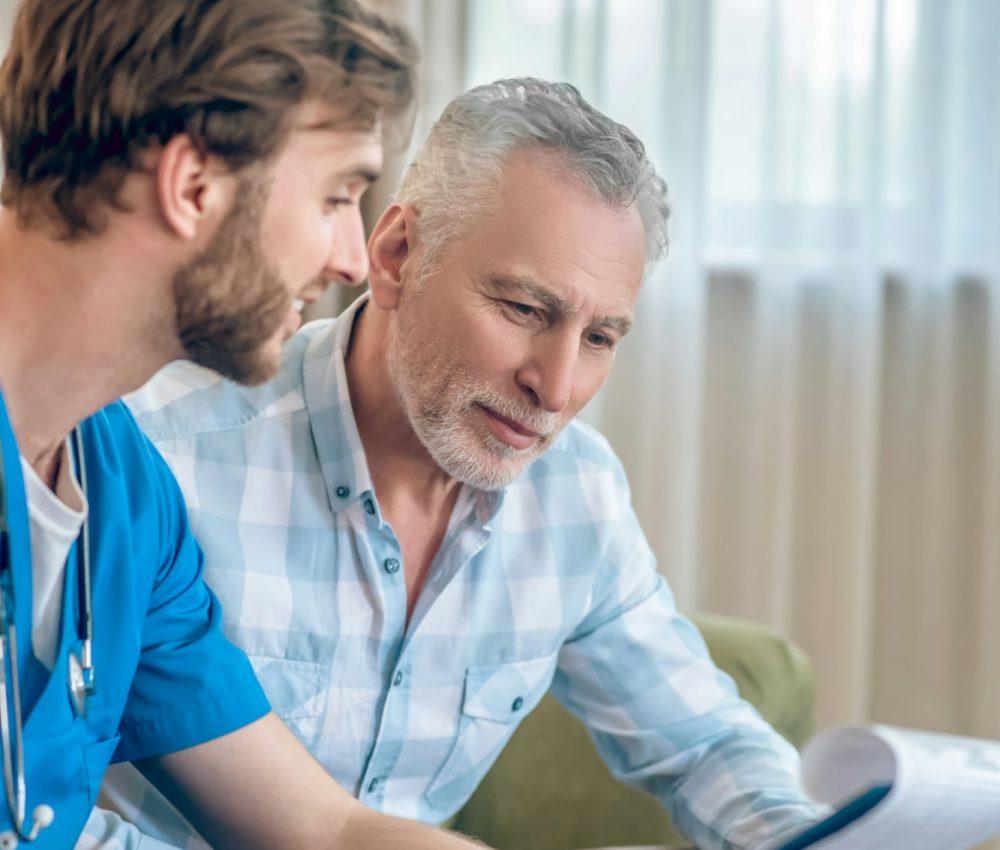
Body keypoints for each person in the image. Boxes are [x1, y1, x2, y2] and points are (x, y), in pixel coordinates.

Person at [119, 78, 826, 850]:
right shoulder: (161, 452)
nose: (554, 389)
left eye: (599, 339)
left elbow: (704, 745)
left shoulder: (575, 493)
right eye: (525, 309)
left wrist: (807, 836)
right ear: (395, 257)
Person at [0, 0, 494, 846]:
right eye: (339, 195)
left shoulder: (122, 492)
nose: (350, 257)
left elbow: (320, 831)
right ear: (193, 186)